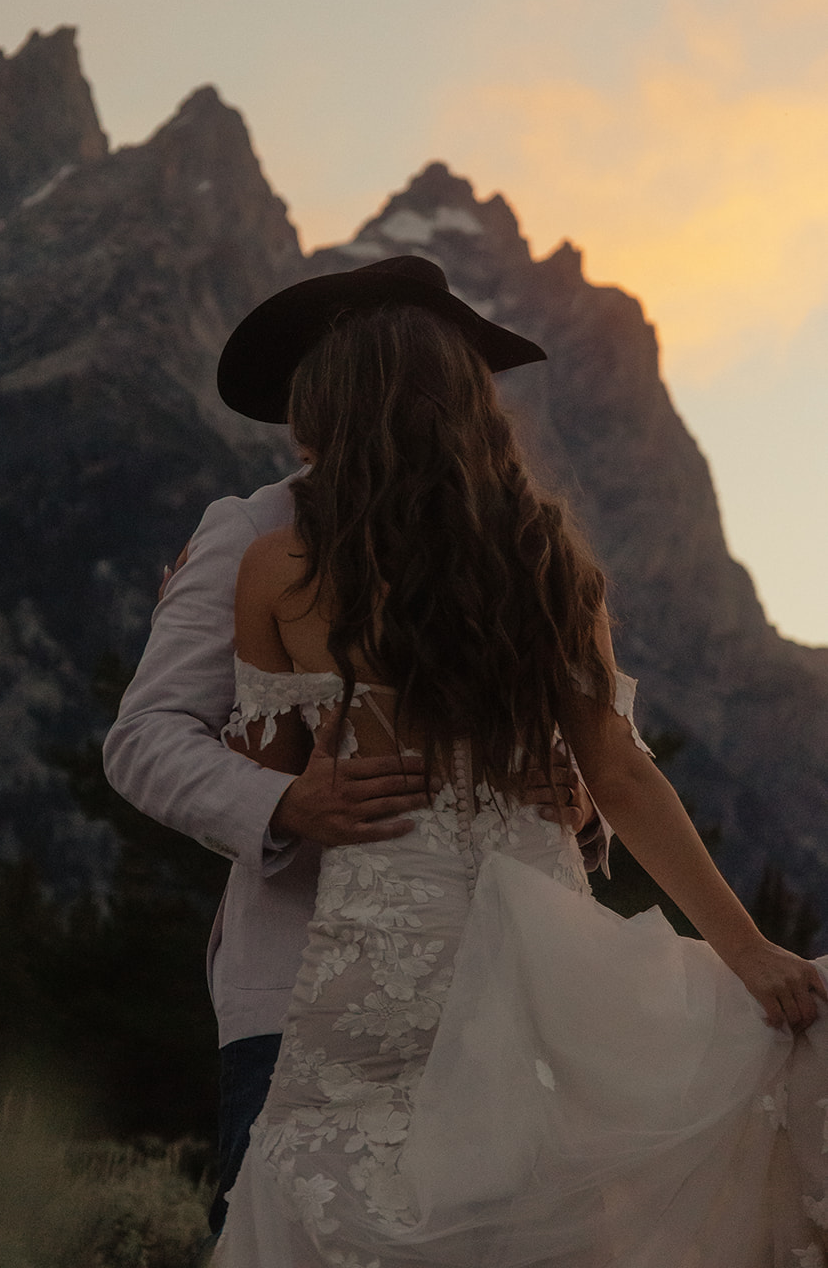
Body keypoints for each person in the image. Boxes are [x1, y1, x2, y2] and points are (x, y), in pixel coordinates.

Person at [209, 258, 828, 1267]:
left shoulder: (278, 567)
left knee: (342, 1187)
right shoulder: (545, 558)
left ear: (329, 411)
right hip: (532, 918)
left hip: (384, 936)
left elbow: (277, 764)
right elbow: (619, 776)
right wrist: (744, 949)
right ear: (466, 405)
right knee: (543, 1191)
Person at [103, 258, 606, 1240]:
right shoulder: (255, 531)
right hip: (303, 999)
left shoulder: (520, 546)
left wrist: (577, 807)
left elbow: (600, 757)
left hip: (511, 987)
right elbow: (147, 735)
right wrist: (284, 805)